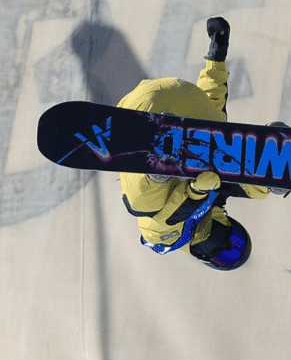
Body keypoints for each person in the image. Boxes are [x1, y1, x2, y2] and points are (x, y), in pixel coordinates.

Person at [117, 17, 282, 271]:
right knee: (243, 179)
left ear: (203, 258)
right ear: (232, 224)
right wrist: (217, 55)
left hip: (133, 114)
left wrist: (195, 194)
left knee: (140, 207)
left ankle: (158, 167)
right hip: (175, 101)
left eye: (226, 255)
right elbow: (214, 119)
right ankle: (275, 164)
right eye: (236, 241)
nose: (227, 244)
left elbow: (164, 223)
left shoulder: (168, 242)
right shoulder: (217, 197)